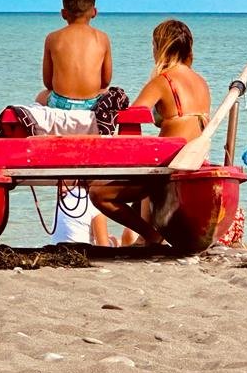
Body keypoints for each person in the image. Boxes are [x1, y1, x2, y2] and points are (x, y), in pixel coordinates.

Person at [90, 19, 211, 245]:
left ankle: (152, 236)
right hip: (196, 158)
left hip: (170, 162)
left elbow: (133, 115)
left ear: (159, 48)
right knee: (139, 184)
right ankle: (145, 238)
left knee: (98, 193)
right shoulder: (201, 83)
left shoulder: (164, 80)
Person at [35, 0, 112, 110]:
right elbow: (105, 81)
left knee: (42, 96)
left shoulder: (52, 38)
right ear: (94, 12)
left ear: (63, 13)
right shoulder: (102, 38)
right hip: (91, 104)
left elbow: (48, 83)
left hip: (60, 104)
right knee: (106, 92)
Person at [49, 183, 117, 247]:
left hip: (56, 251)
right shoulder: (96, 203)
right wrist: (113, 242)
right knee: (114, 240)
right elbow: (103, 247)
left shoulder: (65, 197)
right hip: (79, 253)